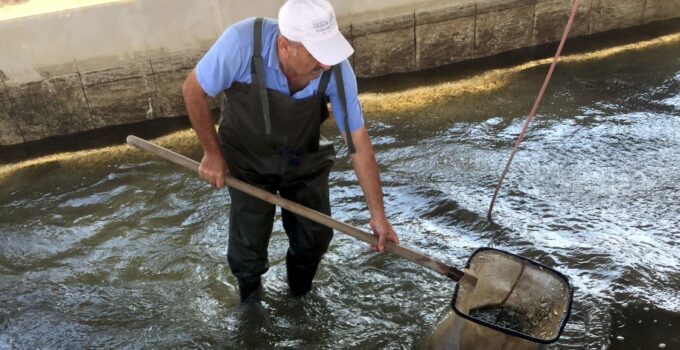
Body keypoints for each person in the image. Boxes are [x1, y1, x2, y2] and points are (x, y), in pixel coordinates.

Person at [182, 0, 399, 302]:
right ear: (285, 46)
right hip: (247, 163)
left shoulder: (335, 70)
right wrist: (212, 154)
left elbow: (358, 141)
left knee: (315, 237)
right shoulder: (242, 43)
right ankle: (250, 301)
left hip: (302, 160)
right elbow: (193, 90)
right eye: (316, 55)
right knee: (247, 247)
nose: (325, 65)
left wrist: (378, 214)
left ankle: (299, 294)